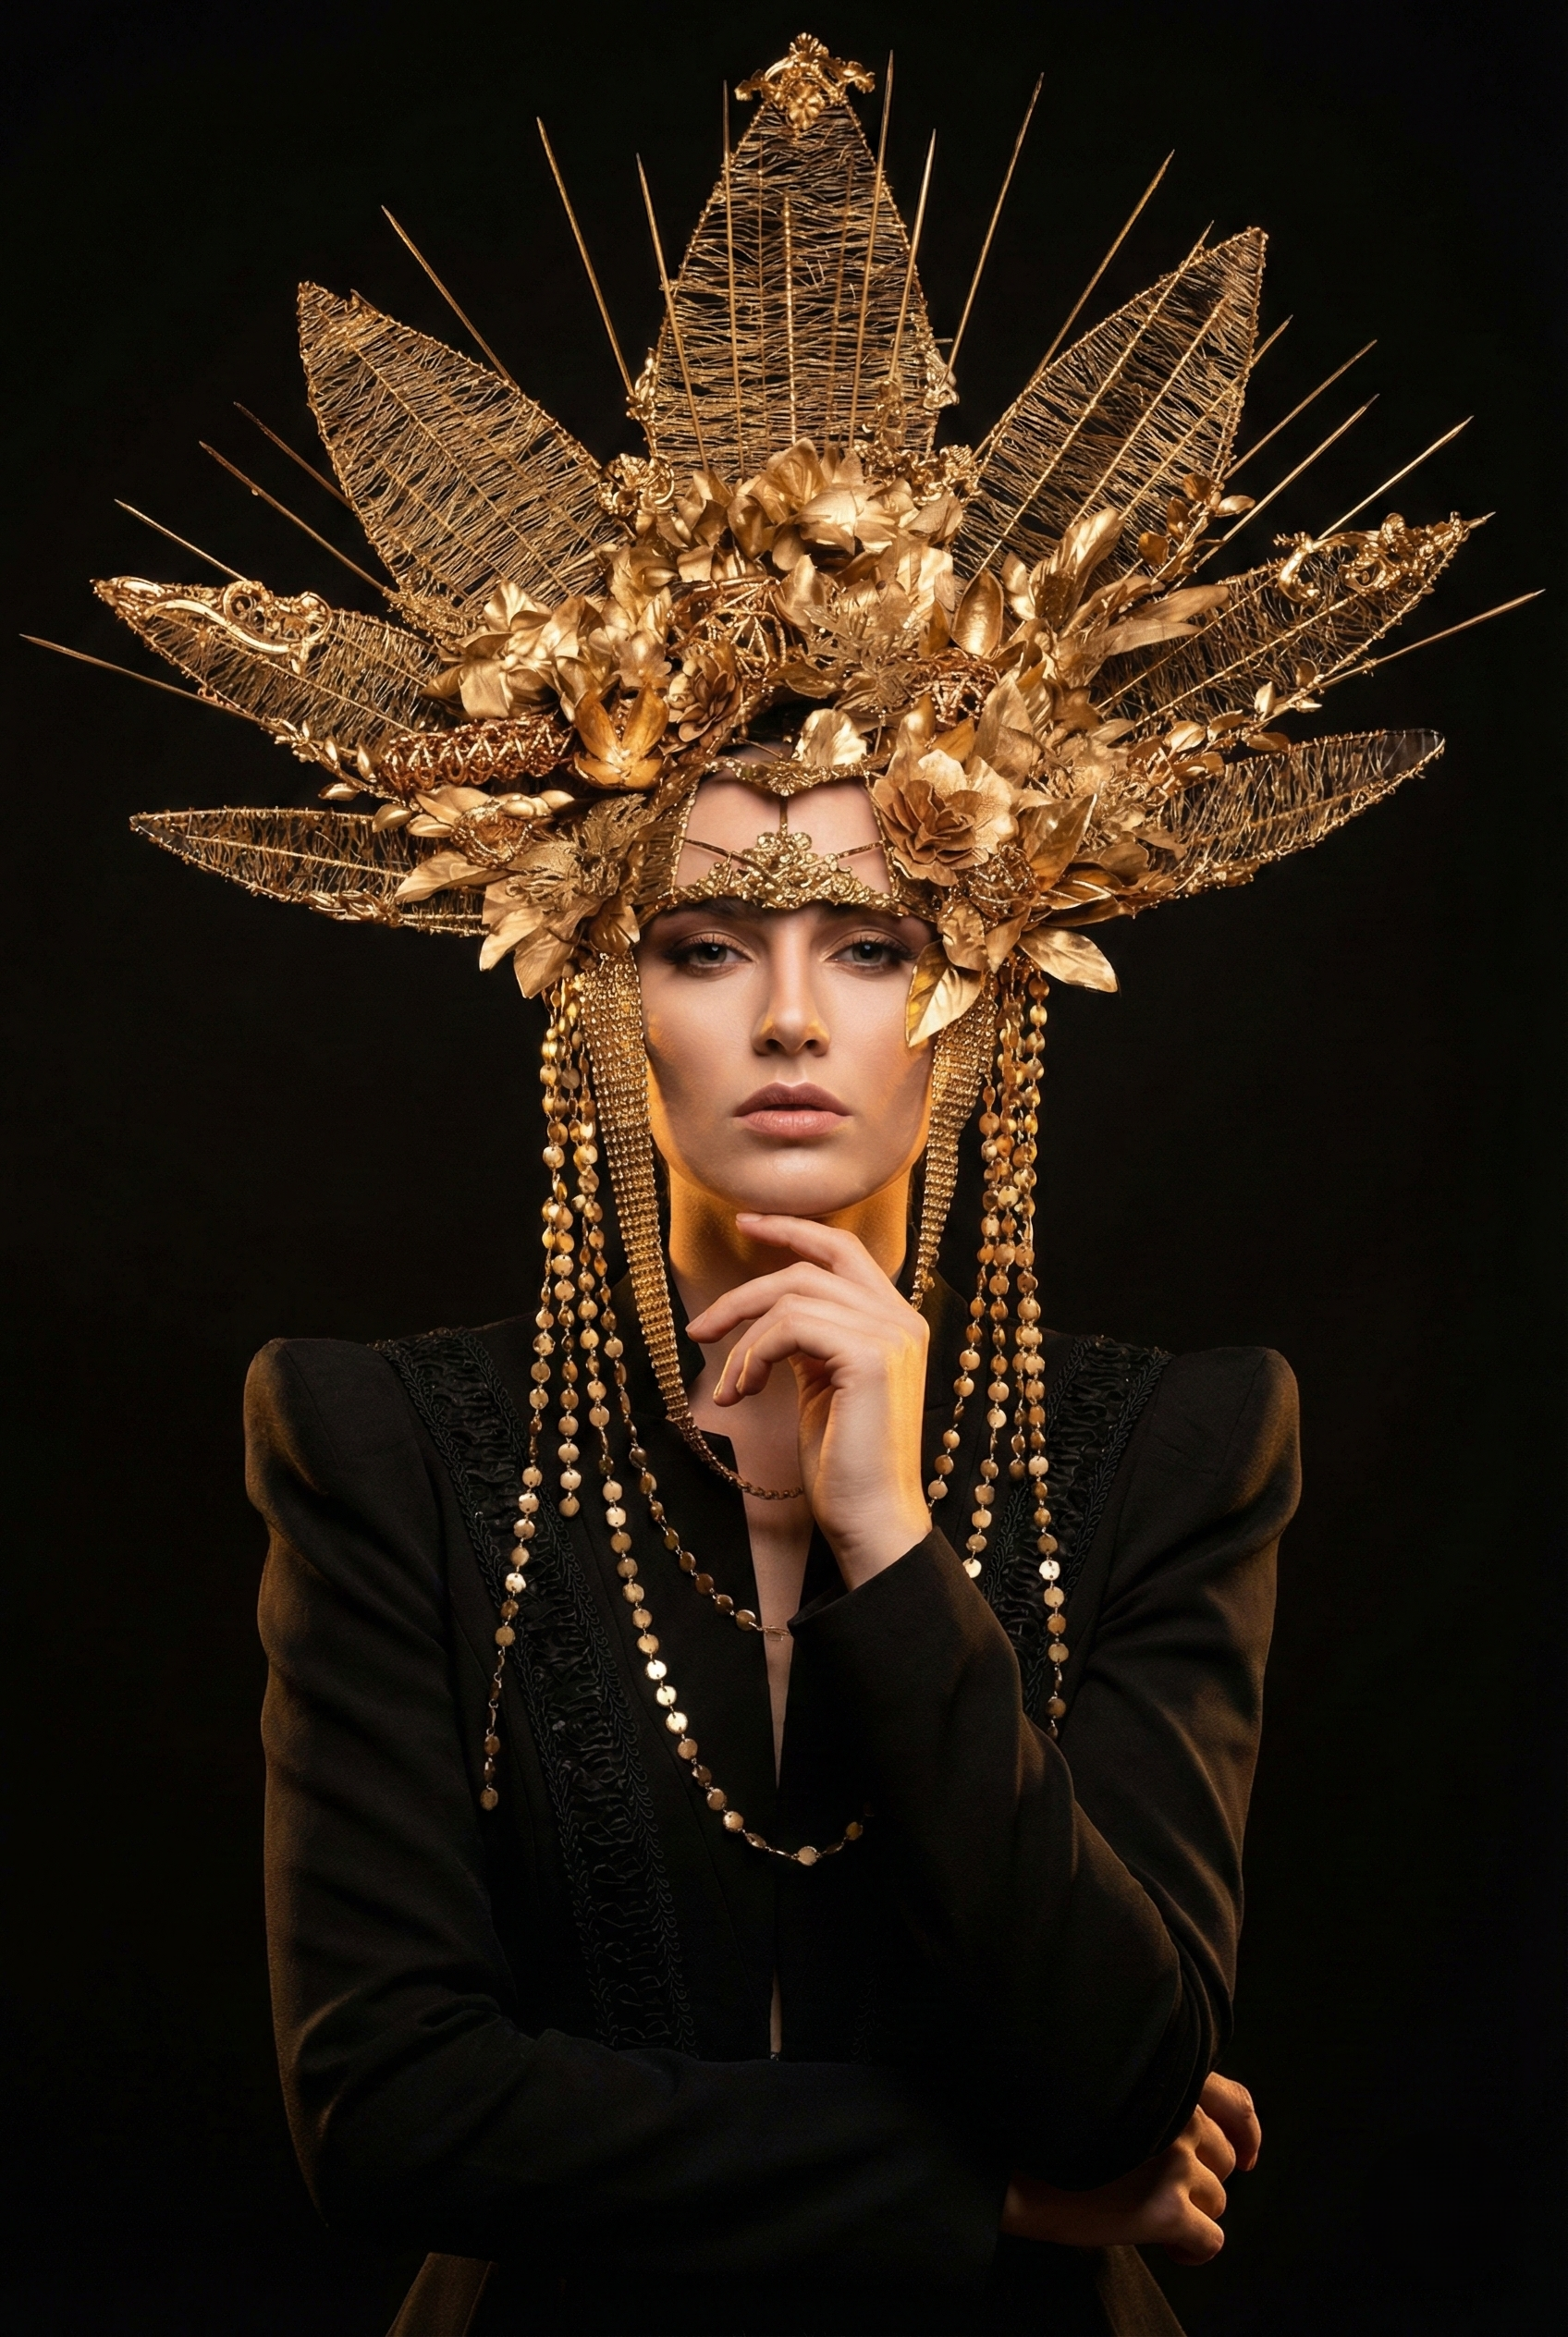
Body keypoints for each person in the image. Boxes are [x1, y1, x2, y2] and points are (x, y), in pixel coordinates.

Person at [80, 34, 1475, 2334]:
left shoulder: (1174, 1449)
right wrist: (994, 2198)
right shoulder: (383, 1448)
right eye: (706, 942)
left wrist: (890, 1538)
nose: (797, 1017)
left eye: (877, 940)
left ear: (989, 987)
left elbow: (1122, 2075)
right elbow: (387, 2110)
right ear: (592, 991)